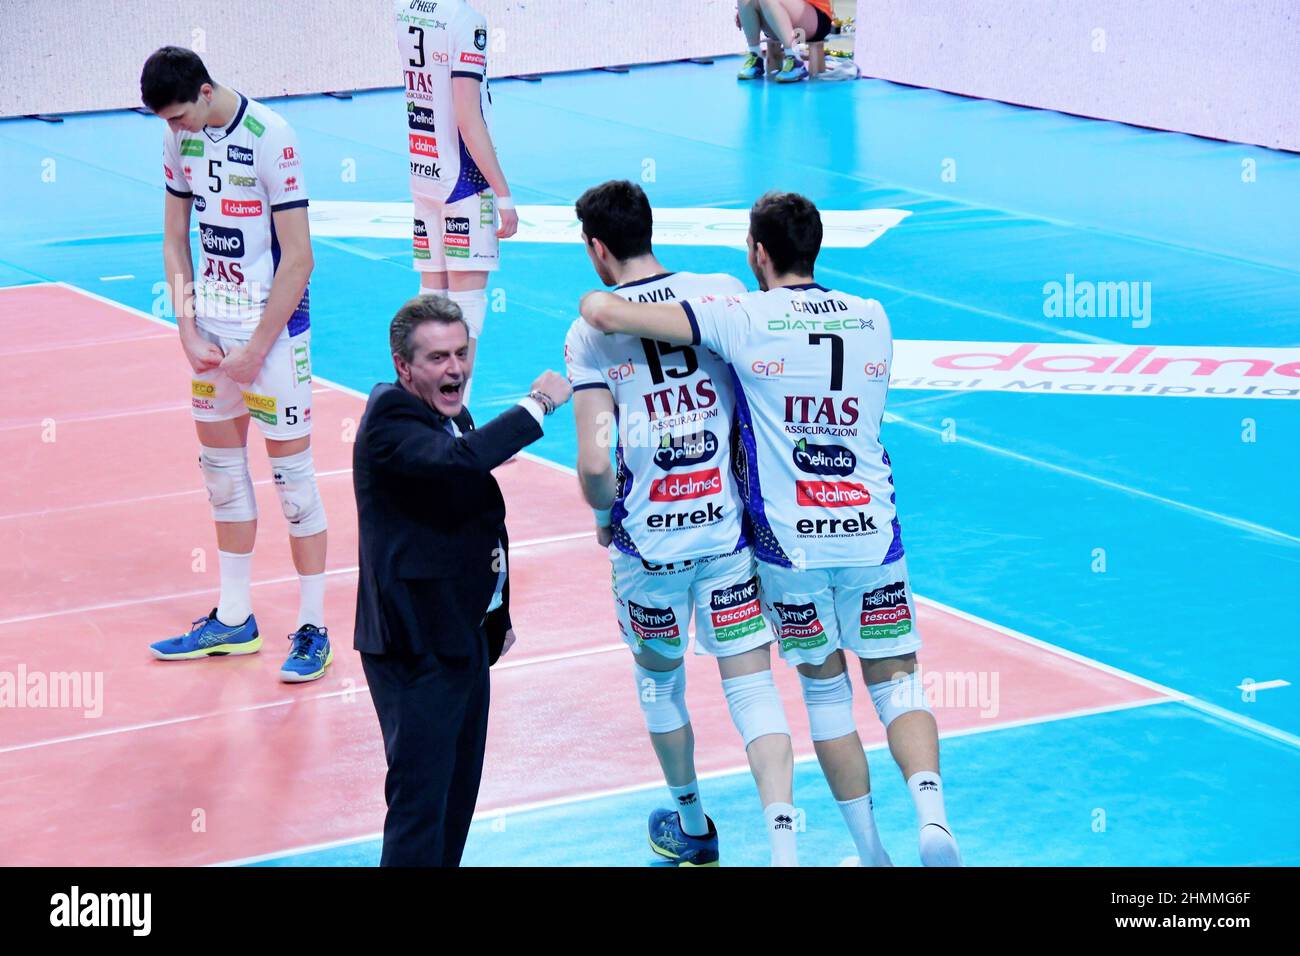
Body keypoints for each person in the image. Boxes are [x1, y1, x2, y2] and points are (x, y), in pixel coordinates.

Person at [579, 191, 963, 867]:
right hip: (871, 528)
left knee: (822, 687)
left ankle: (868, 854)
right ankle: (933, 819)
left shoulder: (743, 317)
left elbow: (606, 310)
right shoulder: (874, 317)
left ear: (758, 251)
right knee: (898, 680)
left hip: (788, 544)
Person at [564, 181, 798, 867]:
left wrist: (607, 518)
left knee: (660, 683)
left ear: (598, 248)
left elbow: (593, 460)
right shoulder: (723, 287)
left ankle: (693, 826)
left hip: (651, 547)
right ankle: (785, 843)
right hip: (725, 536)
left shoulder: (589, 335)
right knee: (752, 684)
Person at [353, 295, 571, 867]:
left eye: (460, 353)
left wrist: (494, 616)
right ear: (404, 367)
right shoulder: (389, 418)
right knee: (420, 802)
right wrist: (539, 403)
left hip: (462, 637)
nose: (455, 368)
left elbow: (473, 516)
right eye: (437, 358)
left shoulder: (447, 414)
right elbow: (462, 463)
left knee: (456, 797)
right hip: (415, 646)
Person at [141, 47, 332, 683]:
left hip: (272, 336)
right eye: (166, 122)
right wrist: (186, 329)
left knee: (295, 486)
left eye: (178, 117)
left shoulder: (271, 136)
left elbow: (299, 258)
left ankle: (313, 628)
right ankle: (234, 617)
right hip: (213, 336)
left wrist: (256, 348)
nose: (175, 131)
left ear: (204, 90)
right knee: (222, 474)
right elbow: (174, 240)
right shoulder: (180, 142)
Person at [394, 0, 516, 405]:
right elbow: (467, 115)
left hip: (423, 170)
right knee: (466, 314)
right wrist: (503, 193)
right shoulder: (468, 22)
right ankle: (457, 421)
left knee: (429, 307)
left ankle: (420, 413)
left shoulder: (406, 9)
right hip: (463, 181)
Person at [735, 0, 834, 82]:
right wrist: (745, 12)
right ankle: (755, 56)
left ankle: (795, 60)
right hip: (777, 16)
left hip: (816, 17)